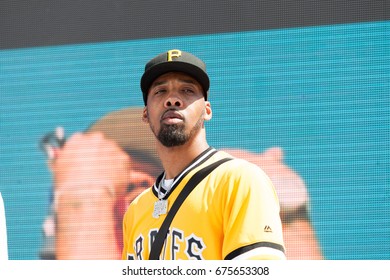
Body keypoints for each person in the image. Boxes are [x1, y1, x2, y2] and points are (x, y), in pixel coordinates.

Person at [121, 49, 286, 260]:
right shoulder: (136, 209)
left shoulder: (239, 180)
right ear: (145, 113)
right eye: (160, 91)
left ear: (207, 110)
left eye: (187, 90)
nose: (172, 100)